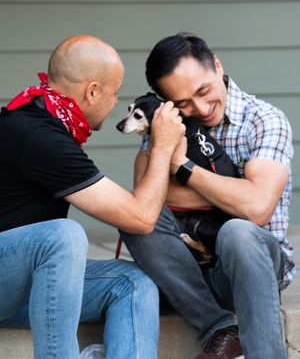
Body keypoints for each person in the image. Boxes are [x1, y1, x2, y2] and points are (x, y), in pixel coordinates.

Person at [0, 34, 185, 359]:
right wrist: (164, 145)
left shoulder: (44, 119)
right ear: (93, 91)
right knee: (63, 235)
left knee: (134, 283)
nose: (116, 103)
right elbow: (141, 218)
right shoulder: (40, 138)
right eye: (114, 93)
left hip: (23, 285)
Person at [121, 33, 295, 359]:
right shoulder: (168, 123)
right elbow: (146, 200)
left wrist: (181, 167)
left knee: (238, 232)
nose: (200, 108)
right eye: (184, 103)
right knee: (133, 217)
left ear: (216, 65)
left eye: (203, 90)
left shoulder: (264, 120)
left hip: (250, 270)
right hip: (186, 273)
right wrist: (231, 193)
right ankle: (221, 331)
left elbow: (256, 208)